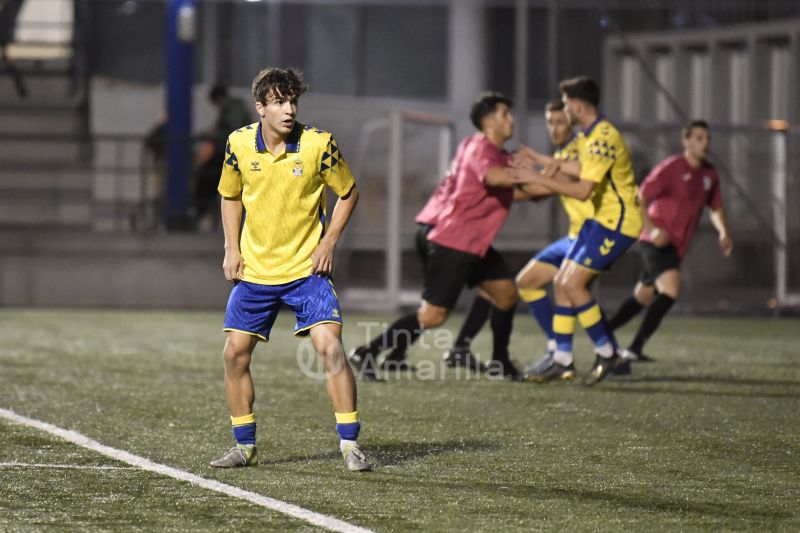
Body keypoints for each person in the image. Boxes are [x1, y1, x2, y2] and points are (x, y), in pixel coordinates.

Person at [210, 67, 369, 472]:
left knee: (330, 347)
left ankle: (350, 446)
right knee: (234, 355)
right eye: (279, 102)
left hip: (305, 271)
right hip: (256, 271)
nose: (289, 109)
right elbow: (230, 196)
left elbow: (348, 192)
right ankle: (244, 447)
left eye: (293, 101)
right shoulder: (238, 144)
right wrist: (231, 247)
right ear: (260, 107)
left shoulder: (319, 144)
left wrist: (329, 241)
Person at [349, 92, 529, 381]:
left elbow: (515, 188)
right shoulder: (483, 150)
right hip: (453, 238)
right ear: (490, 121)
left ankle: (499, 361)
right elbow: (498, 179)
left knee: (504, 294)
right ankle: (368, 351)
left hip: (460, 236)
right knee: (432, 315)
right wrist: (548, 179)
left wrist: (552, 182)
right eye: (505, 113)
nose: (512, 119)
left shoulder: (482, 148)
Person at [513, 76, 642, 386]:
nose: (564, 112)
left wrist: (539, 177)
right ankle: (562, 358)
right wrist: (543, 161)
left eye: (567, 105)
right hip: (599, 222)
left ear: (579, 106)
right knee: (562, 282)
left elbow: (583, 190)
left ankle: (607, 352)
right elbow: (583, 170)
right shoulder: (590, 135)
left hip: (617, 223)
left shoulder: (601, 137)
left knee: (572, 284)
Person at [608, 120, 733, 370]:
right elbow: (639, 197)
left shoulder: (709, 174)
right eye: (698, 138)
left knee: (643, 297)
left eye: (707, 138)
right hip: (654, 242)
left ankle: (602, 331)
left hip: (676, 247)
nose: (704, 143)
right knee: (671, 290)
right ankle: (634, 349)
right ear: (685, 141)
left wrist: (723, 233)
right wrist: (652, 229)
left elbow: (715, 207)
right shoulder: (671, 168)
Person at [514, 100, 594, 382]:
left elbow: (536, 188)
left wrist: (498, 183)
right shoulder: (561, 153)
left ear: (572, 122)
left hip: (591, 236)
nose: (554, 128)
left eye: (560, 121)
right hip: (573, 236)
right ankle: (557, 350)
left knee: (570, 292)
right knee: (528, 281)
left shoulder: (575, 151)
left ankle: (574, 355)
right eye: (549, 121)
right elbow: (538, 191)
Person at [194, 83, 251, 229]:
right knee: (209, 178)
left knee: (207, 177)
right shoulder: (233, 109)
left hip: (234, 157)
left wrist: (212, 135)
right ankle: (202, 212)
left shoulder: (233, 110)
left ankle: (199, 212)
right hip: (232, 156)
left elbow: (231, 133)